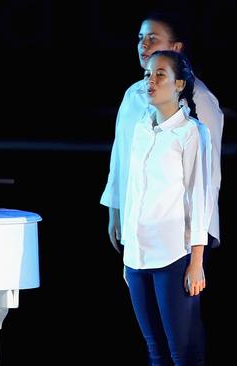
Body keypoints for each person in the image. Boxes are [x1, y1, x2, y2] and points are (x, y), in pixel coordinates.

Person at [101, 11, 223, 255]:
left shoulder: (200, 101)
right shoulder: (133, 95)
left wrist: (197, 242)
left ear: (175, 47)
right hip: (138, 228)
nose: (143, 44)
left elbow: (207, 178)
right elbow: (120, 157)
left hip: (179, 235)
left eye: (153, 38)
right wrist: (115, 210)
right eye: (140, 37)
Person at [121, 50, 212, 364]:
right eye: (148, 74)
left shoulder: (192, 134)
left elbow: (200, 198)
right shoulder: (141, 129)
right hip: (136, 256)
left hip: (173, 256)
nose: (151, 80)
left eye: (160, 74)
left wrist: (196, 261)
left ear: (179, 84)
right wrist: (128, 252)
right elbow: (134, 191)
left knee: (179, 351)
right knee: (153, 349)